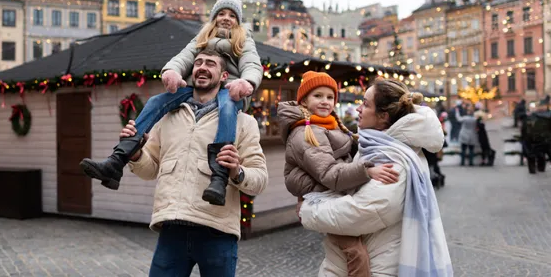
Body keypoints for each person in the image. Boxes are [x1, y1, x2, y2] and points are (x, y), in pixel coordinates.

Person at [80, 0, 263, 206]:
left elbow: (252, 64)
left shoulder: (243, 40)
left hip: (231, 90)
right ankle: (117, 160)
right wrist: (172, 71)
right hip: (198, 87)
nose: (226, 18)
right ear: (213, 18)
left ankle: (219, 176)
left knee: (228, 108)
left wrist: (247, 83)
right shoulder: (202, 39)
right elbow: (183, 58)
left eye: (232, 15)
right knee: (157, 101)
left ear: (238, 21)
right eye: (221, 13)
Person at [119, 48, 268, 276]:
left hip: (217, 232)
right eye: (198, 62)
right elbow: (150, 170)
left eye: (211, 64)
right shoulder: (168, 116)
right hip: (172, 229)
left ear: (224, 76)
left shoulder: (243, 122)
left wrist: (237, 172)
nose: (202, 67)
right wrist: (137, 154)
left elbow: (260, 180)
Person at [297, 78, 452, 276]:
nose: (359, 109)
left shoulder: (392, 158)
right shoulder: (377, 145)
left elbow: (363, 211)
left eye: (366, 104)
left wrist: (308, 209)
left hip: (376, 266)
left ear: (383, 117)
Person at [278, 72, 399, 277]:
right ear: (305, 101)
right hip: (322, 197)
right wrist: (366, 171)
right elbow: (329, 173)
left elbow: (344, 150)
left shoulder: (329, 124)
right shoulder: (307, 133)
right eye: (318, 96)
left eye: (329, 97)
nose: (325, 102)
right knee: (356, 254)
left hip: (330, 194)